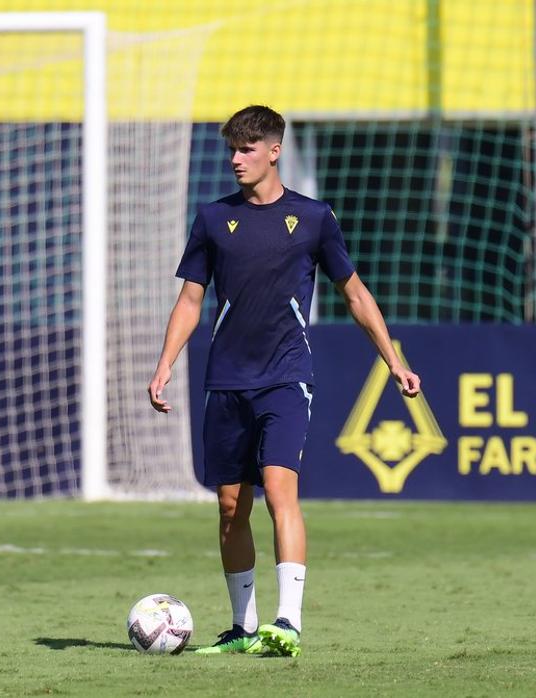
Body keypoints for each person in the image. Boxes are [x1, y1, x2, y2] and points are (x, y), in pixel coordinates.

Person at [148, 105, 420, 657]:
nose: (235, 159)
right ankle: (242, 627)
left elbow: (355, 293)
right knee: (230, 506)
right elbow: (191, 298)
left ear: (274, 151)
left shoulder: (315, 217)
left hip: (285, 377)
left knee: (278, 490)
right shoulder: (211, 219)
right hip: (225, 381)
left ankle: (287, 623)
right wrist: (165, 362)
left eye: (246, 149)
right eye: (231, 150)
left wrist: (392, 361)